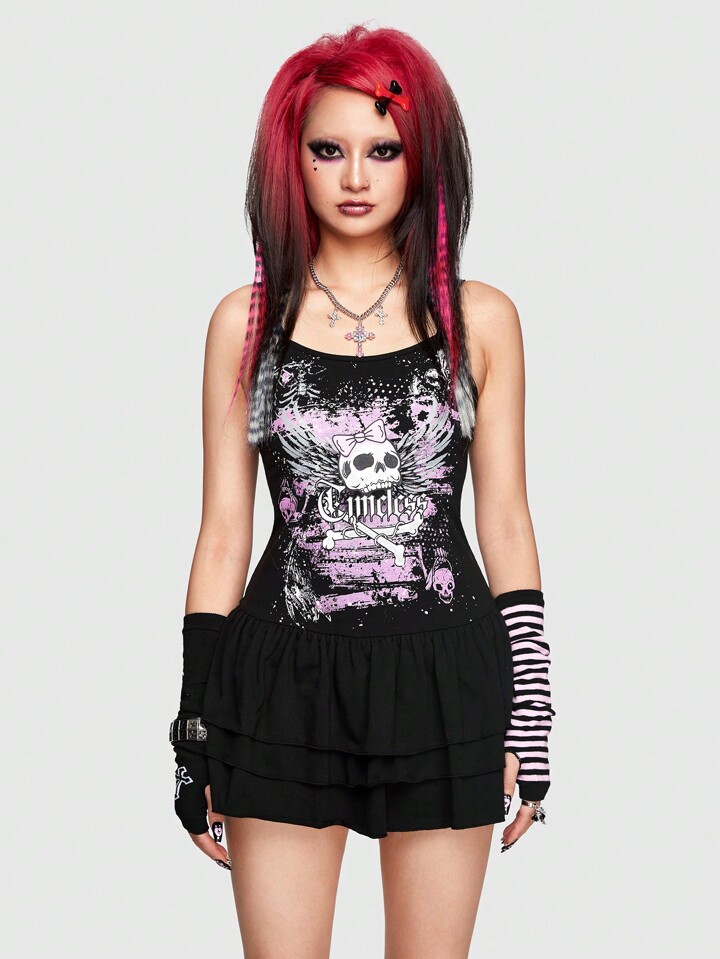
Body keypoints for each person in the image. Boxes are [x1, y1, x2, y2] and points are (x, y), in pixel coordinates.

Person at [169, 22, 555, 958]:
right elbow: (223, 535)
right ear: (290, 161)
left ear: (422, 160)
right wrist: (192, 727)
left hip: (443, 679)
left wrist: (533, 710)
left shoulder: (478, 320)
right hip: (279, 684)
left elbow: (505, 521)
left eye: (383, 150)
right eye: (327, 150)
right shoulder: (246, 324)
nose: (354, 177)